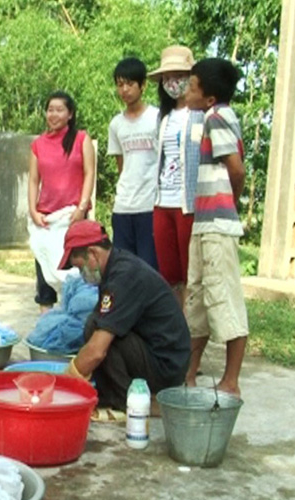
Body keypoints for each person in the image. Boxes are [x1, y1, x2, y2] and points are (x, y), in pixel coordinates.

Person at [59, 221, 190, 419]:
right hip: (156, 351)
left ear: (93, 253)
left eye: (80, 267)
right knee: (94, 325)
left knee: (101, 337)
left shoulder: (124, 277)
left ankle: (127, 401)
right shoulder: (116, 267)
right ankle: (115, 394)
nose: (82, 274)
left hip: (166, 366)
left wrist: (66, 383)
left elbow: (96, 351)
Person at [183, 58, 247, 397]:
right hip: (203, 222)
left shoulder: (218, 117)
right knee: (197, 299)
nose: (187, 91)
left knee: (223, 298)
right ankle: (188, 374)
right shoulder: (212, 116)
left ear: (209, 98)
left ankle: (231, 381)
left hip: (217, 225)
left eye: (192, 86)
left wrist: (230, 203)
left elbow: (236, 169)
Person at [28, 91, 95, 313]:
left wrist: (82, 208)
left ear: (70, 114)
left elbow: (89, 173)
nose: (53, 114)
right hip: (46, 220)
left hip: (74, 218)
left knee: (78, 275)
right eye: (50, 109)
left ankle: (79, 321)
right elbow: (33, 180)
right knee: (45, 279)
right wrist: (33, 211)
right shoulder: (38, 144)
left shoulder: (81, 139)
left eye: (59, 110)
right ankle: (46, 326)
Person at [148, 46, 204, 308]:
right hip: (163, 202)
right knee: (168, 274)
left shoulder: (201, 115)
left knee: (190, 271)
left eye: (179, 76)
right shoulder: (164, 117)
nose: (173, 82)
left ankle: (192, 328)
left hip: (189, 204)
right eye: (167, 77)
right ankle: (176, 323)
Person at [107, 57, 159, 270]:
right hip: (123, 206)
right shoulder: (116, 124)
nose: (125, 90)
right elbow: (122, 165)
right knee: (124, 268)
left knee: (149, 268)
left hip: (151, 205)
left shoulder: (157, 117)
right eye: (120, 85)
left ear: (142, 85)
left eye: (130, 84)